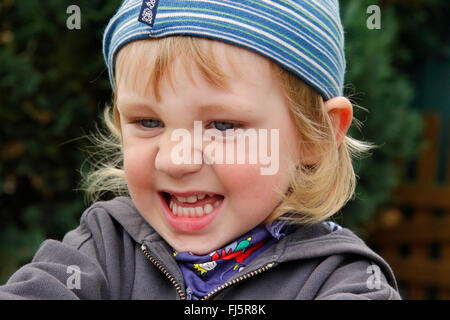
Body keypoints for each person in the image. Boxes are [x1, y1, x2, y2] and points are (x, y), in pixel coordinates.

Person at [0, 0, 401, 300]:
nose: (176, 159)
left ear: (313, 135)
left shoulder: (342, 280)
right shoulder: (103, 248)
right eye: (148, 122)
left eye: (222, 125)